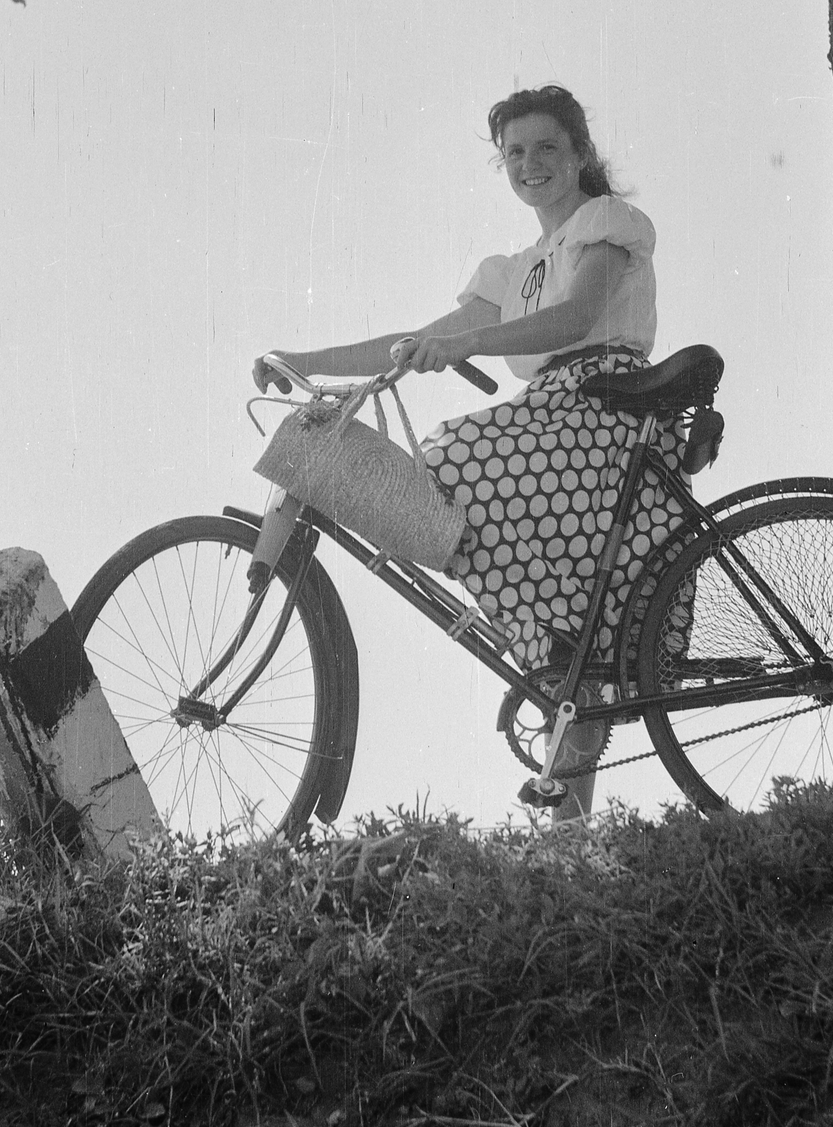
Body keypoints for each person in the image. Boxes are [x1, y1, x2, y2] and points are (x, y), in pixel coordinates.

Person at [253, 85, 688, 821]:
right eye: (515, 153)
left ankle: (547, 643)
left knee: (453, 460)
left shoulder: (606, 224)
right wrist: (306, 358)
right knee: (565, 642)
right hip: (559, 427)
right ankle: (560, 704)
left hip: (605, 415)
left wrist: (468, 344)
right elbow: (410, 341)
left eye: (547, 147)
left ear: (580, 153)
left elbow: (578, 315)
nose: (531, 164)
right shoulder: (513, 268)